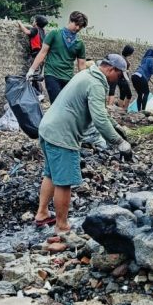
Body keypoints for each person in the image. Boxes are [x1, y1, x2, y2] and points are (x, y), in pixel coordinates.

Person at [34, 54, 132, 233]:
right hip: (62, 135)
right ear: (111, 69)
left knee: (51, 173)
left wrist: (117, 127)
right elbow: (100, 119)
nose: (117, 81)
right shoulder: (95, 84)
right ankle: (62, 226)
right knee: (64, 181)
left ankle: (42, 213)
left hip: (48, 128)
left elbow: (101, 113)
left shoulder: (86, 75)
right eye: (118, 75)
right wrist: (119, 143)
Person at [27, 11, 88, 104]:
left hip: (68, 77)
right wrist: (31, 70)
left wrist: (84, 82)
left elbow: (82, 65)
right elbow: (42, 53)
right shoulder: (54, 34)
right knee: (56, 104)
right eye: (77, 24)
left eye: (81, 26)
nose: (78, 28)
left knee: (66, 106)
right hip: (52, 74)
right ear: (70, 20)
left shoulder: (79, 43)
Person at [17, 15, 49, 92]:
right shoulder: (43, 31)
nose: (33, 22)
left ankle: (38, 93)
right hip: (43, 55)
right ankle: (37, 92)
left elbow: (27, 32)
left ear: (36, 22)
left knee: (35, 75)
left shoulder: (35, 29)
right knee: (38, 73)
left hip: (36, 54)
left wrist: (20, 23)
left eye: (34, 20)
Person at [108, 45, 135, 110]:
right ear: (129, 53)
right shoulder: (124, 60)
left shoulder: (120, 58)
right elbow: (124, 71)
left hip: (119, 79)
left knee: (122, 95)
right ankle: (124, 109)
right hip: (123, 79)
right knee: (129, 95)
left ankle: (120, 109)